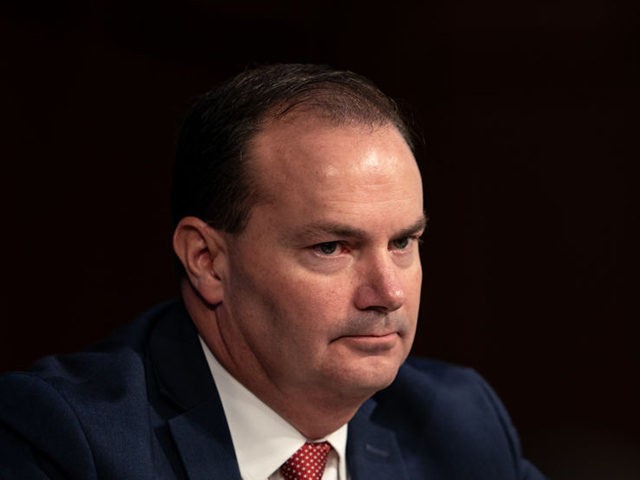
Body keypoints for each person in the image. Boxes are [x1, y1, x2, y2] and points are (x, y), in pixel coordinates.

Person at [0, 63, 546, 479]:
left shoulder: (458, 427)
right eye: (333, 247)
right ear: (206, 260)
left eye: (403, 241)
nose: (389, 291)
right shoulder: (65, 441)